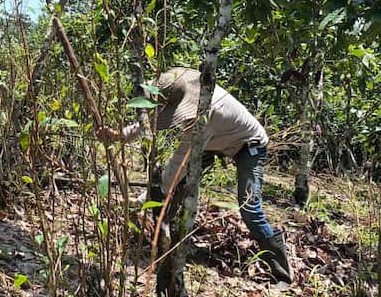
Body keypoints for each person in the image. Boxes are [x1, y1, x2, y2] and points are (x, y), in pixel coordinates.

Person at [98, 67, 293, 284]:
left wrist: (145, 199)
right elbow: (150, 121)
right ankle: (162, 238)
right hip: (216, 139)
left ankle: (281, 273)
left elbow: (177, 166)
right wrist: (120, 136)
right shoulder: (190, 99)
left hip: (249, 145)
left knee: (250, 207)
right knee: (180, 186)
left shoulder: (206, 113)